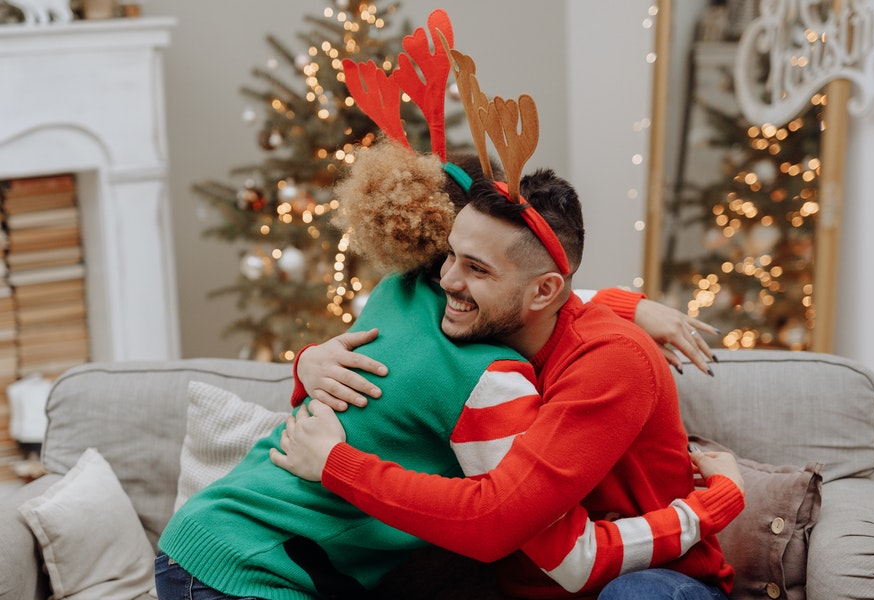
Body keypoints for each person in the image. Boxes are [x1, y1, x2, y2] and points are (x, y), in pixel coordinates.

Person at [272, 168, 745, 599]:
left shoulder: (611, 359)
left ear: (544, 292)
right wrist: (308, 362)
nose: (448, 281)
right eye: (451, 256)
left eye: (477, 268)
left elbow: (503, 522)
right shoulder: (483, 321)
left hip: (655, 579)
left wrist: (339, 465)